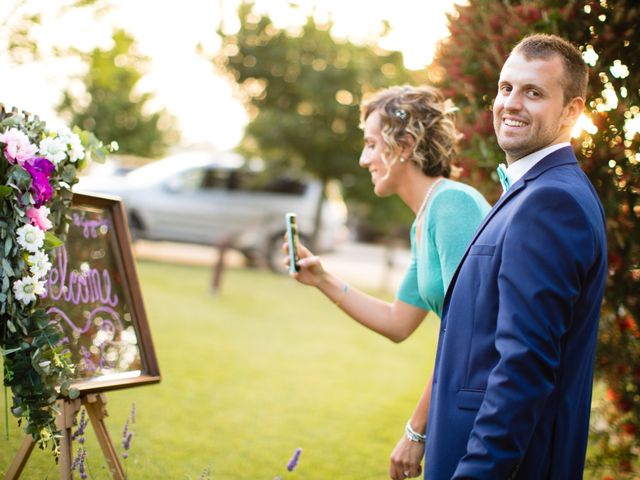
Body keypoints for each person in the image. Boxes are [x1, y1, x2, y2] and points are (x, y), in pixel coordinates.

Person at [423, 34, 607, 479]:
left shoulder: (550, 203)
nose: (511, 103)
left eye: (534, 92)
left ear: (572, 112)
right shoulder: (537, 191)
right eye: (506, 88)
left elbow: (522, 370)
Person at [282, 85, 491, 479]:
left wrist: (416, 430)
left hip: (478, 410)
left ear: (405, 145)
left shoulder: (453, 206)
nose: (364, 159)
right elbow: (397, 322)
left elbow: (468, 336)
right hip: (456, 401)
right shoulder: (425, 219)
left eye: (371, 144)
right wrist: (322, 278)